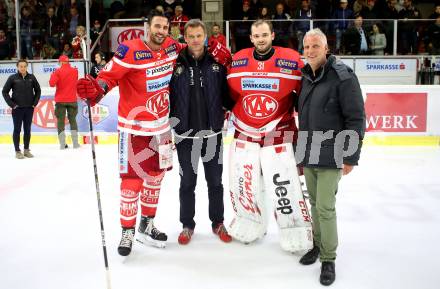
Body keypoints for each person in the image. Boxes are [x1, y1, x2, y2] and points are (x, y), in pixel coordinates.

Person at [76, 9, 231, 256]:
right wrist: (96, 89)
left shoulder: (171, 48)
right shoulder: (129, 50)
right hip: (134, 129)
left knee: (156, 178)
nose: (160, 31)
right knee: (131, 183)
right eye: (156, 26)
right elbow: (109, 77)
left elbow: (192, 46)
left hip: (161, 129)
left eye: (164, 28)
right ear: (146, 26)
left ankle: (146, 223)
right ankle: (127, 231)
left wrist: (213, 45)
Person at [227, 19, 313, 253]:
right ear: (251, 38)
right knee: (245, 181)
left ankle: (294, 227)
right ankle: (250, 221)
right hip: (245, 130)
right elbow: (228, 94)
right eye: (257, 35)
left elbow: (304, 94)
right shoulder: (239, 59)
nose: (261, 39)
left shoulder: (290, 58)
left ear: (273, 35)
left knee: (282, 182)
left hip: (279, 130)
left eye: (265, 34)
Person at [298, 28, 365, 286]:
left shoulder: (343, 77)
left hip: (333, 153)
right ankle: (317, 245)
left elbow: (356, 118)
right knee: (314, 203)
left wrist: (351, 156)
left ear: (326, 48)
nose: (310, 51)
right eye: (306, 47)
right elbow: (304, 117)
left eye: (315, 46)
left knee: (325, 206)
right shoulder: (306, 75)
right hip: (310, 151)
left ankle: (328, 258)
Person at [169, 19, 233, 245]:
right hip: (185, 136)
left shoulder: (217, 63)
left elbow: (229, 94)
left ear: (205, 37)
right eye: (191, 36)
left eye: (199, 36)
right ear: (185, 38)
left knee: (215, 182)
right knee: (187, 183)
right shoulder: (174, 63)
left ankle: (218, 222)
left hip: (212, 135)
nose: (195, 40)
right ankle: (187, 224)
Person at [2, 59, 41, 159]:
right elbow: (4, 92)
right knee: (17, 130)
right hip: (17, 109)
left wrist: (34, 103)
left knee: (27, 130)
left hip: (29, 108)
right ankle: (17, 151)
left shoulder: (32, 78)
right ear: (17, 67)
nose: (23, 68)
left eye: (24, 66)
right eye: (21, 66)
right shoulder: (12, 78)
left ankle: (26, 150)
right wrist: (12, 105)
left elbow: (38, 91)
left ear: (27, 67)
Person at [49, 55, 80, 149]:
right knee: (73, 120)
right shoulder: (75, 71)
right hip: (72, 99)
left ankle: (62, 144)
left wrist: (53, 75)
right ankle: (75, 143)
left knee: (60, 121)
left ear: (61, 62)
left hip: (60, 100)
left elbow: (51, 84)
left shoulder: (57, 71)